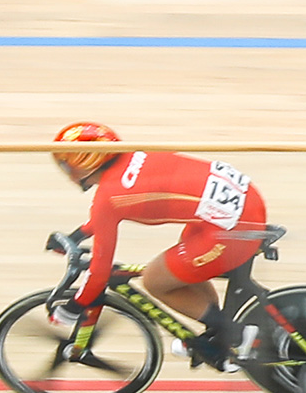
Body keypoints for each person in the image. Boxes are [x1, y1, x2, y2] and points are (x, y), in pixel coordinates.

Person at [48, 122, 268, 370]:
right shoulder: (135, 156)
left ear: (85, 162)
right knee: (181, 268)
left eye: (66, 164)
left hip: (233, 227)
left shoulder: (108, 198)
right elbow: (102, 220)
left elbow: (99, 271)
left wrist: (73, 307)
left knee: (155, 279)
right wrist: (78, 235)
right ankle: (220, 334)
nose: (66, 172)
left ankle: (237, 335)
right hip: (242, 207)